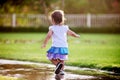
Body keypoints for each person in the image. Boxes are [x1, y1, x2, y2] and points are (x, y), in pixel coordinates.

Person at [41, 10, 80, 75]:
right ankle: (61, 70)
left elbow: (48, 36)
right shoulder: (65, 28)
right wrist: (76, 35)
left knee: (51, 57)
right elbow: (71, 33)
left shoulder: (52, 28)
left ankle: (57, 64)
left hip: (55, 46)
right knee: (62, 60)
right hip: (63, 47)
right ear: (62, 19)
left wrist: (44, 44)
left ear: (53, 20)